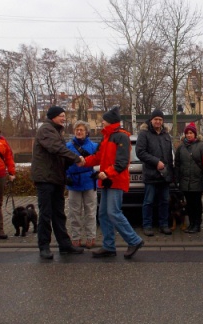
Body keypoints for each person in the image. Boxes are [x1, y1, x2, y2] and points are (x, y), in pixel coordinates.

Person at [83, 106, 144, 259]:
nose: (101, 122)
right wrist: (82, 161)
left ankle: (134, 240)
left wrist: (106, 173)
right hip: (107, 181)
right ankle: (109, 246)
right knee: (103, 214)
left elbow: (122, 162)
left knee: (113, 212)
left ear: (109, 122)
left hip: (115, 180)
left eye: (103, 120)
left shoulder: (121, 137)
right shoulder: (106, 137)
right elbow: (97, 157)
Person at [31, 106, 86, 260]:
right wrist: (76, 158)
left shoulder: (55, 131)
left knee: (59, 213)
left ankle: (64, 244)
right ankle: (44, 246)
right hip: (45, 178)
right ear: (53, 116)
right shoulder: (46, 130)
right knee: (46, 214)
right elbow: (56, 148)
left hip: (55, 178)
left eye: (64, 115)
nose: (64, 118)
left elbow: (59, 154)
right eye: (61, 115)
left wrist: (70, 164)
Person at [136, 109, 174, 236]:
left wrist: (170, 172)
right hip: (151, 174)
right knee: (149, 201)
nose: (158, 121)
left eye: (160, 119)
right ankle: (147, 225)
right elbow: (140, 152)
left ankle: (164, 225)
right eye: (156, 119)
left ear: (163, 121)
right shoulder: (144, 134)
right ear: (151, 120)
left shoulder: (166, 135)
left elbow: (169, 156)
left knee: (164, 201)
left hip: (164, 176)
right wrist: (156, 162)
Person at [66, 120, 99, 249]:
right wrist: (66, 176)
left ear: (86, 132)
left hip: (89, 182)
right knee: (74, 212)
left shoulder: (93, 146)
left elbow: (98, 162)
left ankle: (91, 237)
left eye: (81, 130)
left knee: (90, 212)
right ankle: (76, 237)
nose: (79, 132)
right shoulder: (68, 146)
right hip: (73, 182)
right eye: (77, 130)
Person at [174, 122, 203, 234]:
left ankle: (197, 224)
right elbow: (177, 164)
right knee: (189, 204)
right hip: (185, 181)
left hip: (197, 180)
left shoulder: (201, 146)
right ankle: (191, 224)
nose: (189, 135)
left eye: (191, 133)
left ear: (195, 134)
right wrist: (177, 178)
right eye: (187, 133)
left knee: (196, 204)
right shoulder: (181, 147)